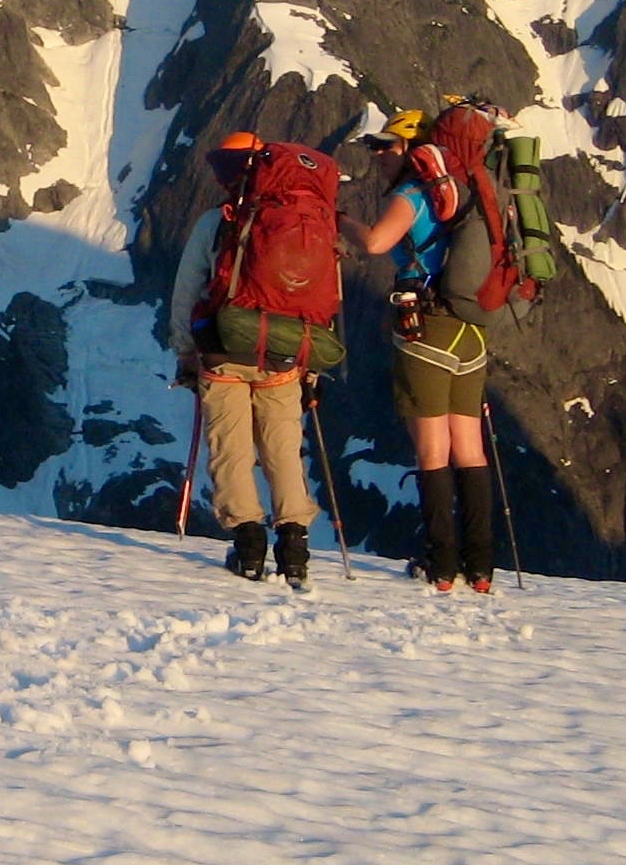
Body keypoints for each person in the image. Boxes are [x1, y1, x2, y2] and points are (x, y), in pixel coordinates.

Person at [168, 131, 339, 586]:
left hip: (224, 349)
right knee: (283, 446)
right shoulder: (309, 220)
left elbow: (188, 289)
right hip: (286, 353)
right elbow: (326, 294)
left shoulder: (217, 221)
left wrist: (185, 351)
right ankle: (295, 544)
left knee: (231, 447)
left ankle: (247, 544)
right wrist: (311, 360)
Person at [355, 107, 496, 592]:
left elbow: (376, 243)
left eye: (385, 147)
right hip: (471, 329)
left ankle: (442, 564)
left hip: (427, 329)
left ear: (413, 150)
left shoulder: (410, 196)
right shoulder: (470, 196)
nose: (377, 157)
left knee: (433, 449)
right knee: (471, 449)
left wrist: (339, 222)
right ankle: (480, 567)